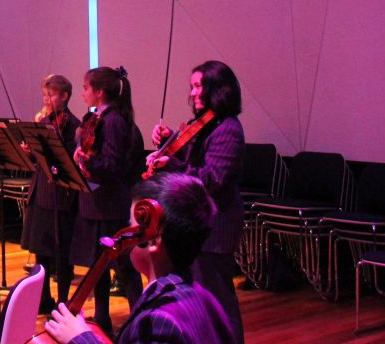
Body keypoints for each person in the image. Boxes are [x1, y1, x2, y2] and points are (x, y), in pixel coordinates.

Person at [43, 172, 236, 344]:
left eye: (132, 225)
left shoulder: (159, 322)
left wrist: (81, 338)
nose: (127, 235)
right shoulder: (207, 298)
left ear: (153, 242)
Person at [147, 61, 246, 342]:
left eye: (198, 85)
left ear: (217, 88)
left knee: (220, 300)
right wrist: (167, 141)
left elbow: (212, 179)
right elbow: (185, 159)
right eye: (192, 86)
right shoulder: (203, 125)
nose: (192, 93)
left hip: (218, 224)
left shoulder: (228, 129)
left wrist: (171, 165)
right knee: (201, 297)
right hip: (198, 223)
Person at [70, 66, 144, 338]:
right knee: (97, 266)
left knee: (123, 267)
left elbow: (112, 164)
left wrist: (89, 161)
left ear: (99, 92)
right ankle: (102, 318)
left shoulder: (114, 121)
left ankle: (140, 319)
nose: (82, 93)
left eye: (86, 88)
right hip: (97, 202)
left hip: (110, 204)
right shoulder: (100, 118)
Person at [20, 73, 81, 314]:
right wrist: (30, 150)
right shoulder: (44, 122)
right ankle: (42, 297)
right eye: (44, 95)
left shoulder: (74, 125)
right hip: (41, 192)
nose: (46, 99)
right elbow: (38, 160)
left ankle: (63, 299)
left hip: (60, 197)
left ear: (64, 96)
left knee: (62, 251)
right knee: (40, 250)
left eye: (51, 94)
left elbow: (66, 161)